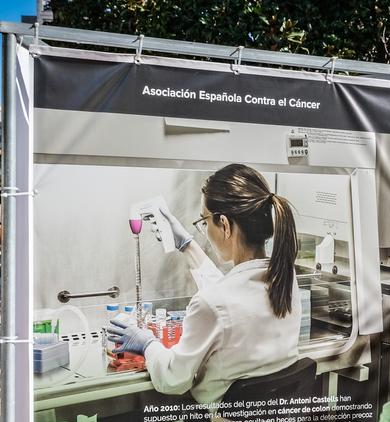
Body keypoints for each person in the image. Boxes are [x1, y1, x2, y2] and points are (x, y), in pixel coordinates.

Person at [107, 164, 300, 404]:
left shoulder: (212, 304)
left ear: (226, 225)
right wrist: (187, 246)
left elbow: (173, 378)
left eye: (204, 221)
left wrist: (147, 344)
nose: (204, 230)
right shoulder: (286, 278)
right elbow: (231, 300)